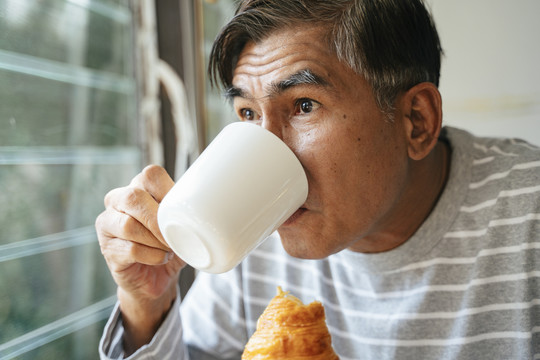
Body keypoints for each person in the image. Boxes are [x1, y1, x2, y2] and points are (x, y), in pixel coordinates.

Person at [97, 0, 540, 359]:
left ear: (416, 121)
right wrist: (146, 306)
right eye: (248, 113)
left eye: (304, 105)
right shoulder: (247, 222)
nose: (262, 154)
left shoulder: (528, 213)